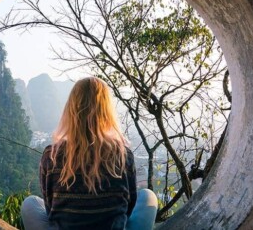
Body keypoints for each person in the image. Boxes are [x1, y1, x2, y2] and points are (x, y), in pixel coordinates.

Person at [21, 77, 158, 230]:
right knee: (148, 196)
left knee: (30, 204)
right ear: (107, 111)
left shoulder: (51, 155)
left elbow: (50, 206)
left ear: (70, 109)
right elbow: (129, 205)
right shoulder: (122, 155)